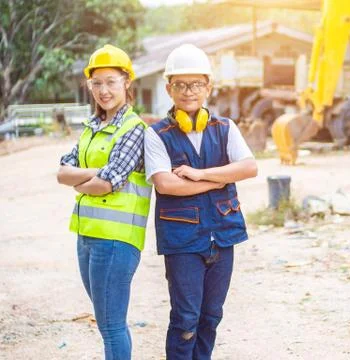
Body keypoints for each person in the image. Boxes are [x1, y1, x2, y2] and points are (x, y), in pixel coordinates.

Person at [144, 43, 257, 359]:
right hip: (183, 240)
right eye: (180, 84)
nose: (188, 91)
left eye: (196, 84)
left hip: (222, 235)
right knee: (185, 319)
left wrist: (197, 174)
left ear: (208, 86)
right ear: (169, 88)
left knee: (211, 316)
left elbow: (249, 167)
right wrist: (220, 179)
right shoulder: (156, 134)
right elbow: (166, 185)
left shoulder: (225, 128)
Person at [56, 44, 151, 360]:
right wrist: (96, 173)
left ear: (127, 82)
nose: (103, 90)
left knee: (111, 327)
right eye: (97, 83)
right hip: (87, 236)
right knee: (107, 324)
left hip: (116, 241)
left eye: (111, 81)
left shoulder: (133, 128)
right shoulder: (91, 128)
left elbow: (106, 184)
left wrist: (87, 178)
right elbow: (61, 173)